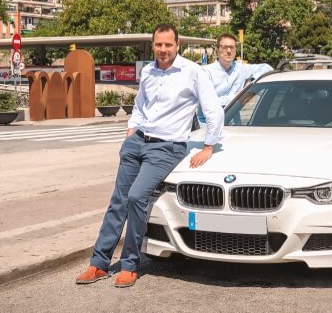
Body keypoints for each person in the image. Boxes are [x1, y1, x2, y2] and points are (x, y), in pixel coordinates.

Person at [76, 24, 224, 287]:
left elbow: (214, 110)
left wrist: (209, 146)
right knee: (118, 201)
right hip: (138, 142)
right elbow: (140, 105)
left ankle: (130, 264)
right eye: (159, 45)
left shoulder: (193, 72)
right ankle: (98, 263)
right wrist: (132, 130)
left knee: (136, 197)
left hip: (167, 147)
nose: (163, 50)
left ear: (177, 45)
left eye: (168, 45)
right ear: (153, 44)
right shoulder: (148, 71)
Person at [197, 33, 272, 122]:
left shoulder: (240, 69)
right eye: (224, 47)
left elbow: (267, 67)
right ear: (217, 50)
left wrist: (250, 83)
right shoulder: (206, 72)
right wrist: (239, 97)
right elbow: (206, 101)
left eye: (232, 47)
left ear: (235, 50)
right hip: (209, 127)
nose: (229, 51)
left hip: (234, 127)